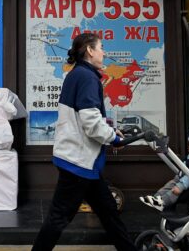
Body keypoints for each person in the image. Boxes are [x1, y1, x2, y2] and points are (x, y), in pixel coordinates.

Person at [32, 33, 135, 251]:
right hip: (78, 162)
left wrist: (110, 130)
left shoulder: (77, 74)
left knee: (108, 211)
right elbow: (90, 122)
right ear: (90, 50)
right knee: (59, 217)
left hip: (83, 161)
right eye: (101, 47)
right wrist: (114, 138)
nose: (104, 52)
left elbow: (86, 118)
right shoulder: (87, 77)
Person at [139, 127, 189, 211]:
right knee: (168, 186)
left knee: (173, 192)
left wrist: (181, 186)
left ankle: (162, 203)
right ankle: (156, 198)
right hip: (181, 179)